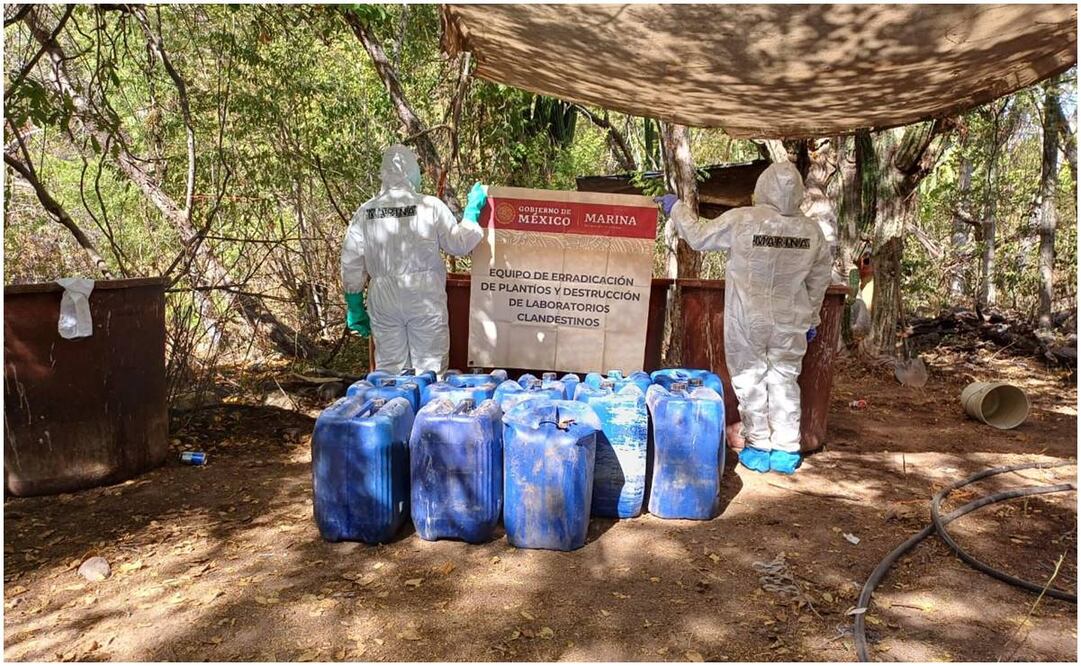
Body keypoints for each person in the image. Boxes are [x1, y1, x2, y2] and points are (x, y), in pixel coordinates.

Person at [655, 162, 832, 475]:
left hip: (747, 318)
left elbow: (698, 236)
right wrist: (812, 320)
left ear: (763, 187)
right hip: (790, 320)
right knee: (784, 380)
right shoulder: (811, 231)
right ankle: (786, 449)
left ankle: (759, 446)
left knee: (750, 379)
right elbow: (818, 281)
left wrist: (676, 208)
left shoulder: (743, 220)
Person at [341, 144, 488, 375]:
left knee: (389, 370)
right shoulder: (429, 206)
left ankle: (392, 409)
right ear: (411, 172)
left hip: (383, 298)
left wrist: (354, 304)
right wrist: (471, 213)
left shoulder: (366, 212)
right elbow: (458, 244)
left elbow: (351, 262)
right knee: (430, 370)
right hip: (424, 297)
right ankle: (428, 408)